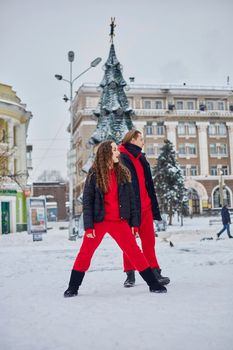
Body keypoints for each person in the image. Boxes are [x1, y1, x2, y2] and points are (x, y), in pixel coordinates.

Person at [64, 140, 167, 297]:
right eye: (114, 150)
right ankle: (73, 287)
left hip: (119, 221)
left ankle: (153, 284)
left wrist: (133, 222)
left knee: (134, 252)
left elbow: (132, 200)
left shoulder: (123, 173)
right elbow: (87, 202)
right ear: (106, 153)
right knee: (85, 253)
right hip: (99, 221)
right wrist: (89, 226)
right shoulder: (94, 174)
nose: (118, 152)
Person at [119, 130, 170, 287]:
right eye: (141, 139)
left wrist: (153, 205)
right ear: (133, 140)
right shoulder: (121, 157)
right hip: (131, 209)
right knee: (130, 242)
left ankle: (155, 271)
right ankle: (130, 274)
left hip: (146, 206)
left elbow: (148, 183)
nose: (143, 142)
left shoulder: (141, 158)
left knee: (149, 241)